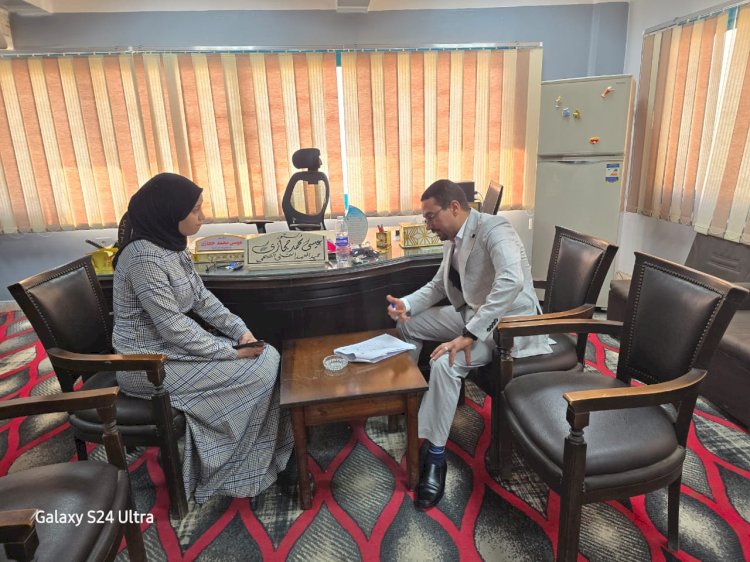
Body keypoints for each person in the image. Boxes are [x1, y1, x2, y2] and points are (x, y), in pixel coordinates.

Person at [112, 172, 293, 504]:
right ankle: (227, 465)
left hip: (174, 352)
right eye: (195, 210)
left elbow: (201, 299)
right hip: (147, 365)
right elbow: (173, 326)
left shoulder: (171, 246)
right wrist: (231, 353)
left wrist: (240, 332)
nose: (203, 216)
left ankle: (250, 453)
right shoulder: (143, 257)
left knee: (267, 357)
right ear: (169, 212)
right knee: (262, 366)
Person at [386, 179, 551, 509]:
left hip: (509, 327)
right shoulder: (453, 238)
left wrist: (469, 335)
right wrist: (407, 304)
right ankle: (411, 402)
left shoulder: (495, 229)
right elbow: (438, 286)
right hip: (475, 315)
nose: (427, 225)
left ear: (454, 208)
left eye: (430, 217)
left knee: (444, 363)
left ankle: (435, 457)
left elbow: (511, 280)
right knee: (407, 324)